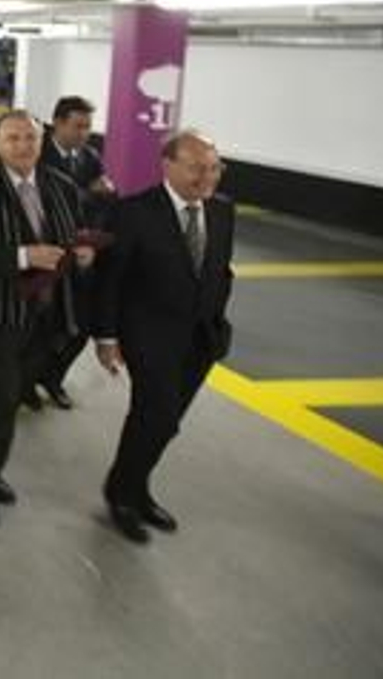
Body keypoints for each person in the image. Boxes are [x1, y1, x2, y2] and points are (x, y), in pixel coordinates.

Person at [0, 110, 93, 527]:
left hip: (45, 315)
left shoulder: (61, 185)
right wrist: (23, 256)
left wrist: (82, 252)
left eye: (30, 137)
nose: (23, 146)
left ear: (42, 140)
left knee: (11, 399)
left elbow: (74, 233)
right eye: (12, 138)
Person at [93, 130, 234, 544]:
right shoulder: (133, 212)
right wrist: (106, 336)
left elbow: (220, 270)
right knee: (153, 414)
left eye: (214, 168)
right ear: (168, 165)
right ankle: (121, 494)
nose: (206, 177)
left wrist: (217, 320)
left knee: (167, 421)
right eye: (196, 168)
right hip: (149, 335)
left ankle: (136, 487)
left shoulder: (223, 211)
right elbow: (111, 279)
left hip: (201, 337)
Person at [29, 95, 116, 409]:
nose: (84, 133)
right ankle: (27, 382)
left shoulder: (90, 157)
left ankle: (53, 378)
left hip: (82, 252)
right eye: (78, 126)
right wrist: (89, 194)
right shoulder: (38, 154)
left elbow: (105, 198)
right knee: (43, 324)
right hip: (46, 250)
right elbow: (45, 199)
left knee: (82, 325)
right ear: (58, 123)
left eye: (88, 126)